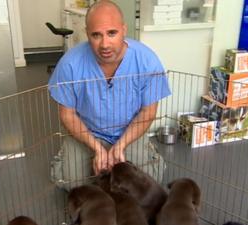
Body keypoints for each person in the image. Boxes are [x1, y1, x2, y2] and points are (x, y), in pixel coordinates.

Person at [48, 0, 171, 190]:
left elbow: (148, 112)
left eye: (112, 33)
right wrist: (96, 147)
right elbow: (67, 114)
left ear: (124, 29)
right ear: (86, 33)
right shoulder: (70, 64)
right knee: (75, 185)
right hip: (87, 132)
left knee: (146, 184)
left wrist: (121, 145)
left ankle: (148, 152)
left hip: (127, 132)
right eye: (96, 35)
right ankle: (64, 158)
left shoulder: (147, 61)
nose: (104, 44)